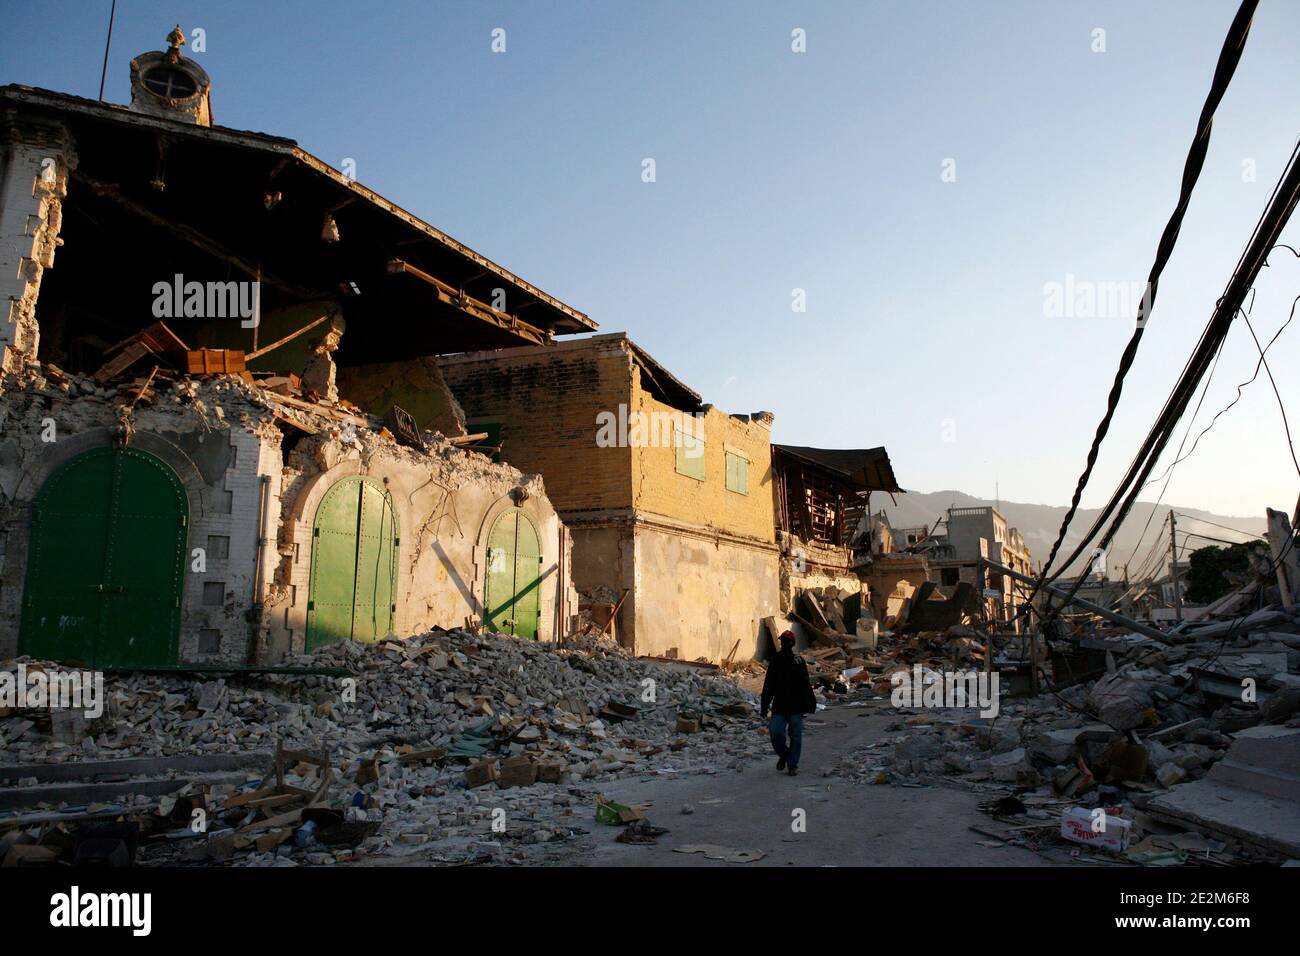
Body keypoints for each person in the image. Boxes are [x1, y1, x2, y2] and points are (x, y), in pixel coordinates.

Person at [759, 630, 817, 776]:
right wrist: (764, 706)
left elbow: (805, 684)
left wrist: (810, 703)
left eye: (786, 641)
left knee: (796, 736)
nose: (784, 644)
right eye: (782, 641)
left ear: (792, 644)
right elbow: (769, 685)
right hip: (779, 706)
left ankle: (792, 765)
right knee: (776, 734)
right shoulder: (776, 660)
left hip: (796, 707)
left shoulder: (798, 661)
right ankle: (785, 755)